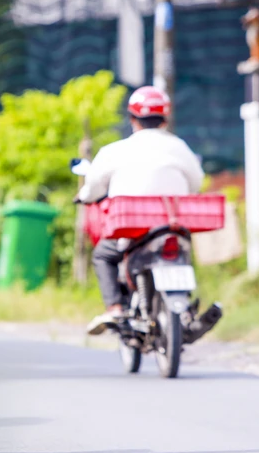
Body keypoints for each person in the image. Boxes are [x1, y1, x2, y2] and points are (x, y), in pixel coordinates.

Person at [76, 86, 204, 335]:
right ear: (165, 119)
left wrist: (83, 197)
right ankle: (186, 308)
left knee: (103, 255)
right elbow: (196, 183)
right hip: (171, 226)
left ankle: (115, 307)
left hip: (132, 229)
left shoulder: (115, 151)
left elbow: (93, 187)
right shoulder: (180, 147)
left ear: (132, 119)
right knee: (182, 252)